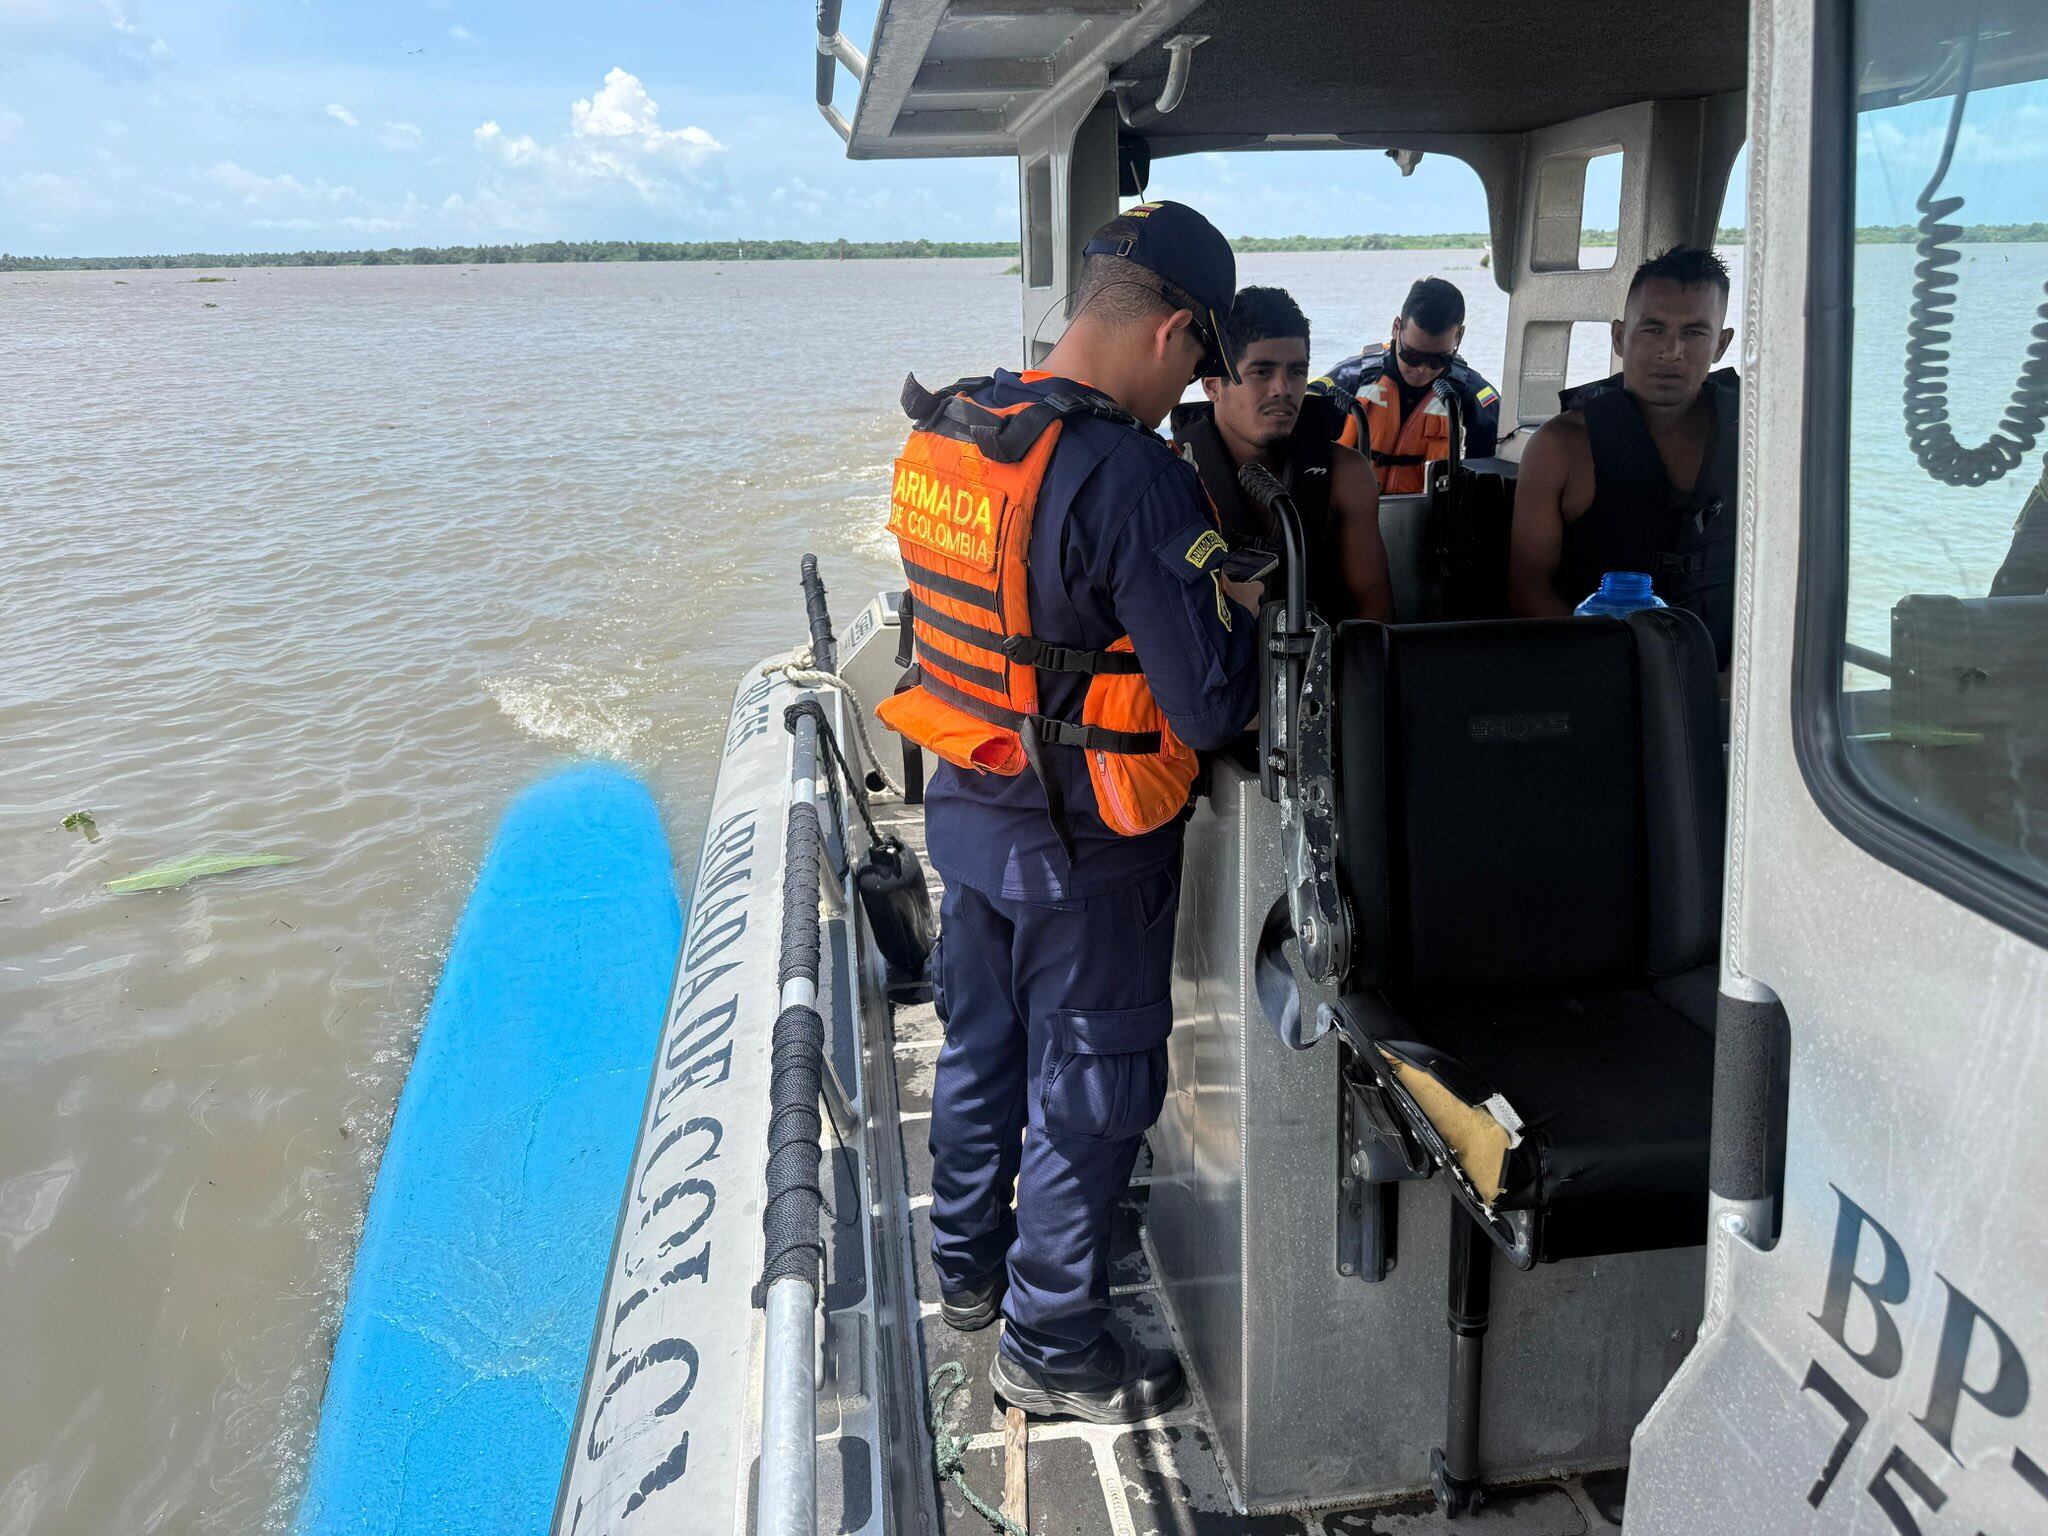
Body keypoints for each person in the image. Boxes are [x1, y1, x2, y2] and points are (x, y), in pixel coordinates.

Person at [874, 201, 1262, 1424]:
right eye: (1199, 362)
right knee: (1090, 1088)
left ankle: (970, 1280)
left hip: (967, 810)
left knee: (982, 1053)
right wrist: (1238, 621)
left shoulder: (961, 425)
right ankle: (1047, 1346)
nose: (1189, 389)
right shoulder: (1135, 477)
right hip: (1085, 842)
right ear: (1171, 333)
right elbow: (1205, 709)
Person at [1506, 245, 1740, 668]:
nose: (1672, 351)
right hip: (1601, 675)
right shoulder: (1560, 447)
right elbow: (1528, 589)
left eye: (1694, 333)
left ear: (1721, 344)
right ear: (1619, 336)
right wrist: (1612, 671)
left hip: (1732, 684)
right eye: (1653, 330)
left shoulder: (1755, 437)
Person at [1170, 286, 1393, 621]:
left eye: (1296, 372)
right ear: (1213, 383)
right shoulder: (1172, 480)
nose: (1284, 390)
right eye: (1262, 372)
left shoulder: (1347, 474)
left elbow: (1374, 615)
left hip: (1320, 664)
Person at [1309, 277, 1502, 493]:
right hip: (1350, 514)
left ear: (1459, 336)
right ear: (1396, 328)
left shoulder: (1476, 399)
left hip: (1431, 519)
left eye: (1439, 359)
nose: (1422, 369)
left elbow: (1489, 482)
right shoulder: (1347, 380)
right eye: (1412, 355)